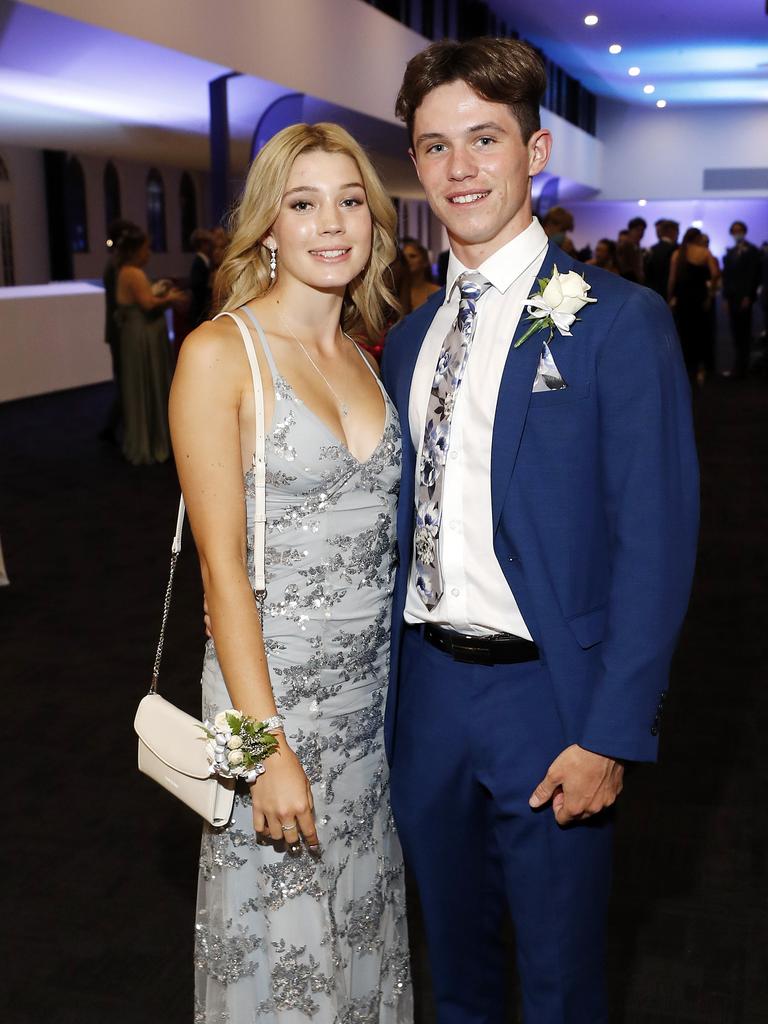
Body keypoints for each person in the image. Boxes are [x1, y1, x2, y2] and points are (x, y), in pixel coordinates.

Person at [381, 36, 699, 1024]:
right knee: (458, 980)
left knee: (562, 986)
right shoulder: (407, 336)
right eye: (435, 147)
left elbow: (656, 543)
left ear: (537, 149)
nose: (460, 168)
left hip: (549, 702)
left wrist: (610, 731)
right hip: (426, 696)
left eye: (485, 139)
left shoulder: (618, 319)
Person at [170, 122, 412, 1023]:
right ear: (268, 224)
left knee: (359, 934)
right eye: (303, 203)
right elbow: (220, 577)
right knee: (282, 959)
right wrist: (265, 754)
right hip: (262, 700)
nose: (332, 224)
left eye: (351, 201)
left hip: (365, 709)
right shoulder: (217, 354)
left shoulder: (363, 352)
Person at [114, 227, 183, 465]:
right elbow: (147, 304)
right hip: (141, 337)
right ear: (136, 251)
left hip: (135, 334)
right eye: (146, 248)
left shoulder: (126, 272)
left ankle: (149, 438)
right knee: (147, 383)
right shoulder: (133, 273)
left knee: (141, 385)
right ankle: (151, 443)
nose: (149, 253)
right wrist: (171, 298)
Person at [99, 218, 138, 444]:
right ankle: (118, 427)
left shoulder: (115, 264)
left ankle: (118, 426)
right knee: (125, 381)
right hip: (120, 328)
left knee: (124, 380)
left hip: (118, 326)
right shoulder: (118, 266)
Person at [668, 227, 720, 380]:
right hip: (700, 297)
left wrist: (670, 296)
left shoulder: (678, 253)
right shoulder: (704, 252)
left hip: (683, 298)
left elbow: (672, 279)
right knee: (700, 332)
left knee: (684, 332)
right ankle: (700, 368)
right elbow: (715, 273)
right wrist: (710, 293)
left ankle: (685, 368)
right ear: (698, 238)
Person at [722, 220, 762, 377]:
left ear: (744, 231)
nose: (737, 233)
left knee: (744, 332)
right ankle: (738, 366)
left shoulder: (752, 250)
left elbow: (753, 275)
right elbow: (727, 276)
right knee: (735, 332)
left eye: (739, 230)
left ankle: (742, 367)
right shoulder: (731, 252)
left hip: (744, 297)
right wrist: (725, 298)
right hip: (732, 297)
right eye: (734, 230)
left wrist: (748, 295)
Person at [645, 218, 679, 299]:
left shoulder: (651, 250)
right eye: (677, 232)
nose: (677, 235)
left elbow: (646, 274)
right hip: (671, 295)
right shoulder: (677, 250)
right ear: (672, 231)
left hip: (652, 294)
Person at [187, 227, 214, 328]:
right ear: (203, 244)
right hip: (200, 311)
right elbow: (197, 286)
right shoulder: (199, 263)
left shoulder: (204, 262)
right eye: (209, 243)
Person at [402, 239, 440, 309]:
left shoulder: (437, 293)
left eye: (412, 256)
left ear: (425, 261)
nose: (407, 260)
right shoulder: (396, 293)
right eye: (404, 257)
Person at [616, 215, 647, 282]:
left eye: (642, 230)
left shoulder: (637, 246)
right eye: (637, 230)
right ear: (630, 230)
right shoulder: (625, 246)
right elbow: (623, 269)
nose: (640, 233)